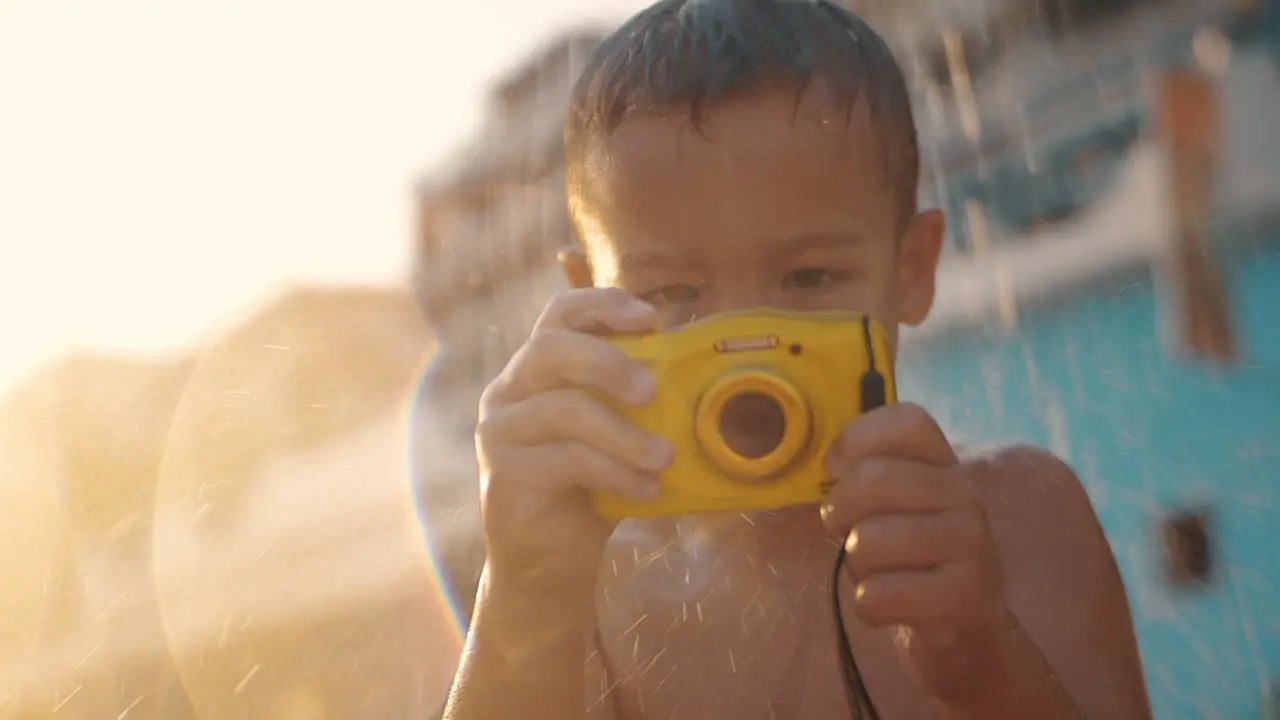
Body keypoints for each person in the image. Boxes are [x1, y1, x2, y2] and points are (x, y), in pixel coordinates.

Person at [443, 1, 1153, 717]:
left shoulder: (1013, 519)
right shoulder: (586, 593)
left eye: (809, 278)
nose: (745, 349)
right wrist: (524, 598)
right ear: (590, 307)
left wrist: (986, 662)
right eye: (672, 292)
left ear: (914, 270)